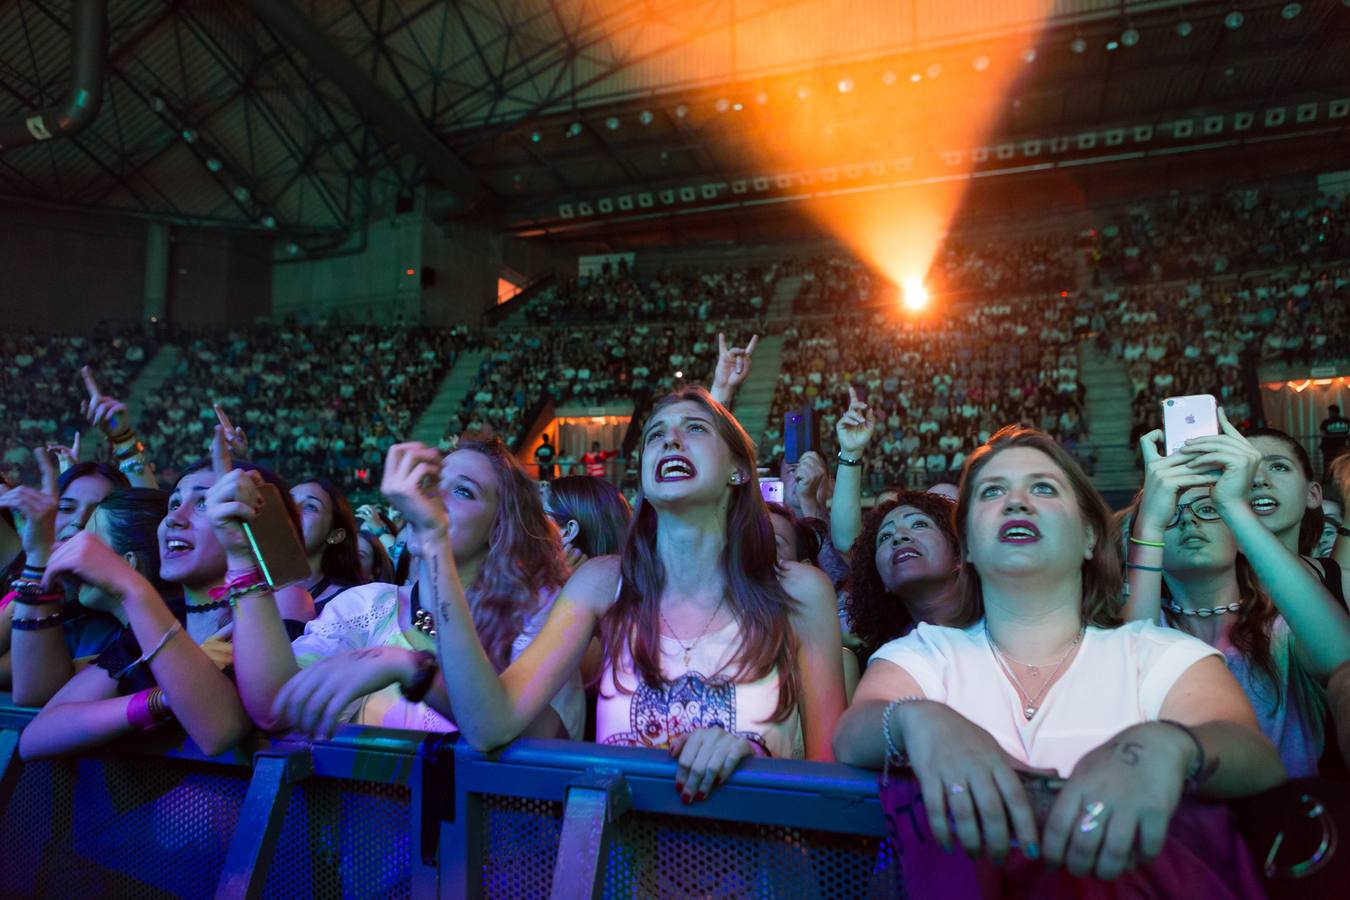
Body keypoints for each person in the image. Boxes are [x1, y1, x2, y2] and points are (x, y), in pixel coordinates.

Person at [292, 387, 845, 802]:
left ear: (738, 473)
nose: (669, 439)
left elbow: (835, 780)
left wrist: (753, 759)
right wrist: (432, 544)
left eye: (695, 429)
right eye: (655, 434)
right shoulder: (602, 585)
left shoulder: (798, 593)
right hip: (621, 866)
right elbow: (491, 722)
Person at [834, 426, 1284, 883]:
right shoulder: (927, 652)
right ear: (967, 545)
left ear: (1090, 536)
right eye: (992, 492)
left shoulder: (1160, 653)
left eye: (1043, 488)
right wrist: (921, 720)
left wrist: (1167, 745)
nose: (1016, 502)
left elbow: (1257, 757)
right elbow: (853, 732)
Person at [228, 434, 584, 739]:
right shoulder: (368, 607)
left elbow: (537, 743)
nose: (428, 499)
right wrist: (243, 558)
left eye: (462, 491)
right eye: (431, 483)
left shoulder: (539, 615)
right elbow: (274, 707)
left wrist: (407, 667)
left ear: (499, 527)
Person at [1124, 415, 1350, 776]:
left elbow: (1343, 658)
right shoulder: (1144, 624)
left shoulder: (1285, 628)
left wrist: (1233, 504)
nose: (1188, 520)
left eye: (1209, 508)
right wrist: (1149, 521)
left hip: (1286, 821)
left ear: (1242, 537)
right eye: (1170, 512)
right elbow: (1129, 686)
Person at [843, 491, 960, 661]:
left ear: (959, 554)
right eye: (885, 536)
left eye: (919, 524)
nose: (898, 536)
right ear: (882, 581)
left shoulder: (1002, 628)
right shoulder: (891, 659)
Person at [290, 477, 366, 610]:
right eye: (288, 502)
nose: (293, 510)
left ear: (335, 535)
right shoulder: (247, 579)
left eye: (310, 506)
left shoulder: (348, 604)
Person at [542, 475, 632, 571]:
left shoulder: (556, 582)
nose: (532, 525)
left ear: (568, 531)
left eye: (541, 517)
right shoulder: (629, 576)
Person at [1320, 404, 1349, 474]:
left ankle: (1327, 479)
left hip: (1329, 448)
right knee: (1341, 464)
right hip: (1341, 446)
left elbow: (1323, 434)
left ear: (1331, 412)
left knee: (1328, 465)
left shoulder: (1326, 422)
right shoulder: (1345, 421)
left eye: (1330, 412)